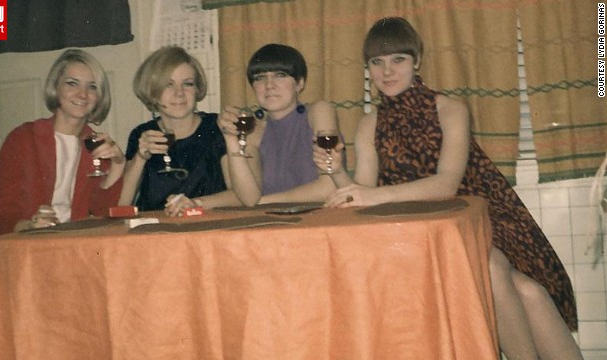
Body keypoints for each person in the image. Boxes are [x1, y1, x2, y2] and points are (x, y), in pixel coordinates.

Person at [315, 17, 583, 360]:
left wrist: (371, 194)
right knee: (527, 291)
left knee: (494, 269)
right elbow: (362, 193)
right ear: (368, 69)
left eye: (398, 59)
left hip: (483, 216)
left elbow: (447, 184)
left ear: (417, 62)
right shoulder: (369, 124)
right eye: (377, 62)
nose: (387, 71)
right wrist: (337, 172)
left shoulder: (450, 109)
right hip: (426, 226)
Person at [0, 49, 125, 267]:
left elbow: (102, 216)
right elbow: (4, 212)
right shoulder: (23, 138)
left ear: (99, 96)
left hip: (73, 252)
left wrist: (119, 165)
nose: (82, 94)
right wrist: (30, 224)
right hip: (23, 249)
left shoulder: (97, 145)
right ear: (55, 87)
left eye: (92, 87)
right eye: (72, 83)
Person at [119, 46, 240, 215]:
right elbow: (121, 204)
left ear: (197, 89)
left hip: (207, 227)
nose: (179, 93)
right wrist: (140, 157)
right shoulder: (143, 134)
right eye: (168, 85)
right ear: (153, 92)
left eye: (188, 84)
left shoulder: (216, 127)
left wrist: (196, 203)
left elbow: (240, 195)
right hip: (155, 232)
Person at [218, 43, 340, 206]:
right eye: (260, 78)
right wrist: (231, 139)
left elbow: (329, 187)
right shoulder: (253, 131)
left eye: (280, 75)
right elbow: (248, 198)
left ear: (300, 83)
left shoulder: (319, 112)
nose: (269, 85)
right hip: (273, 223)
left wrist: (264, 202)